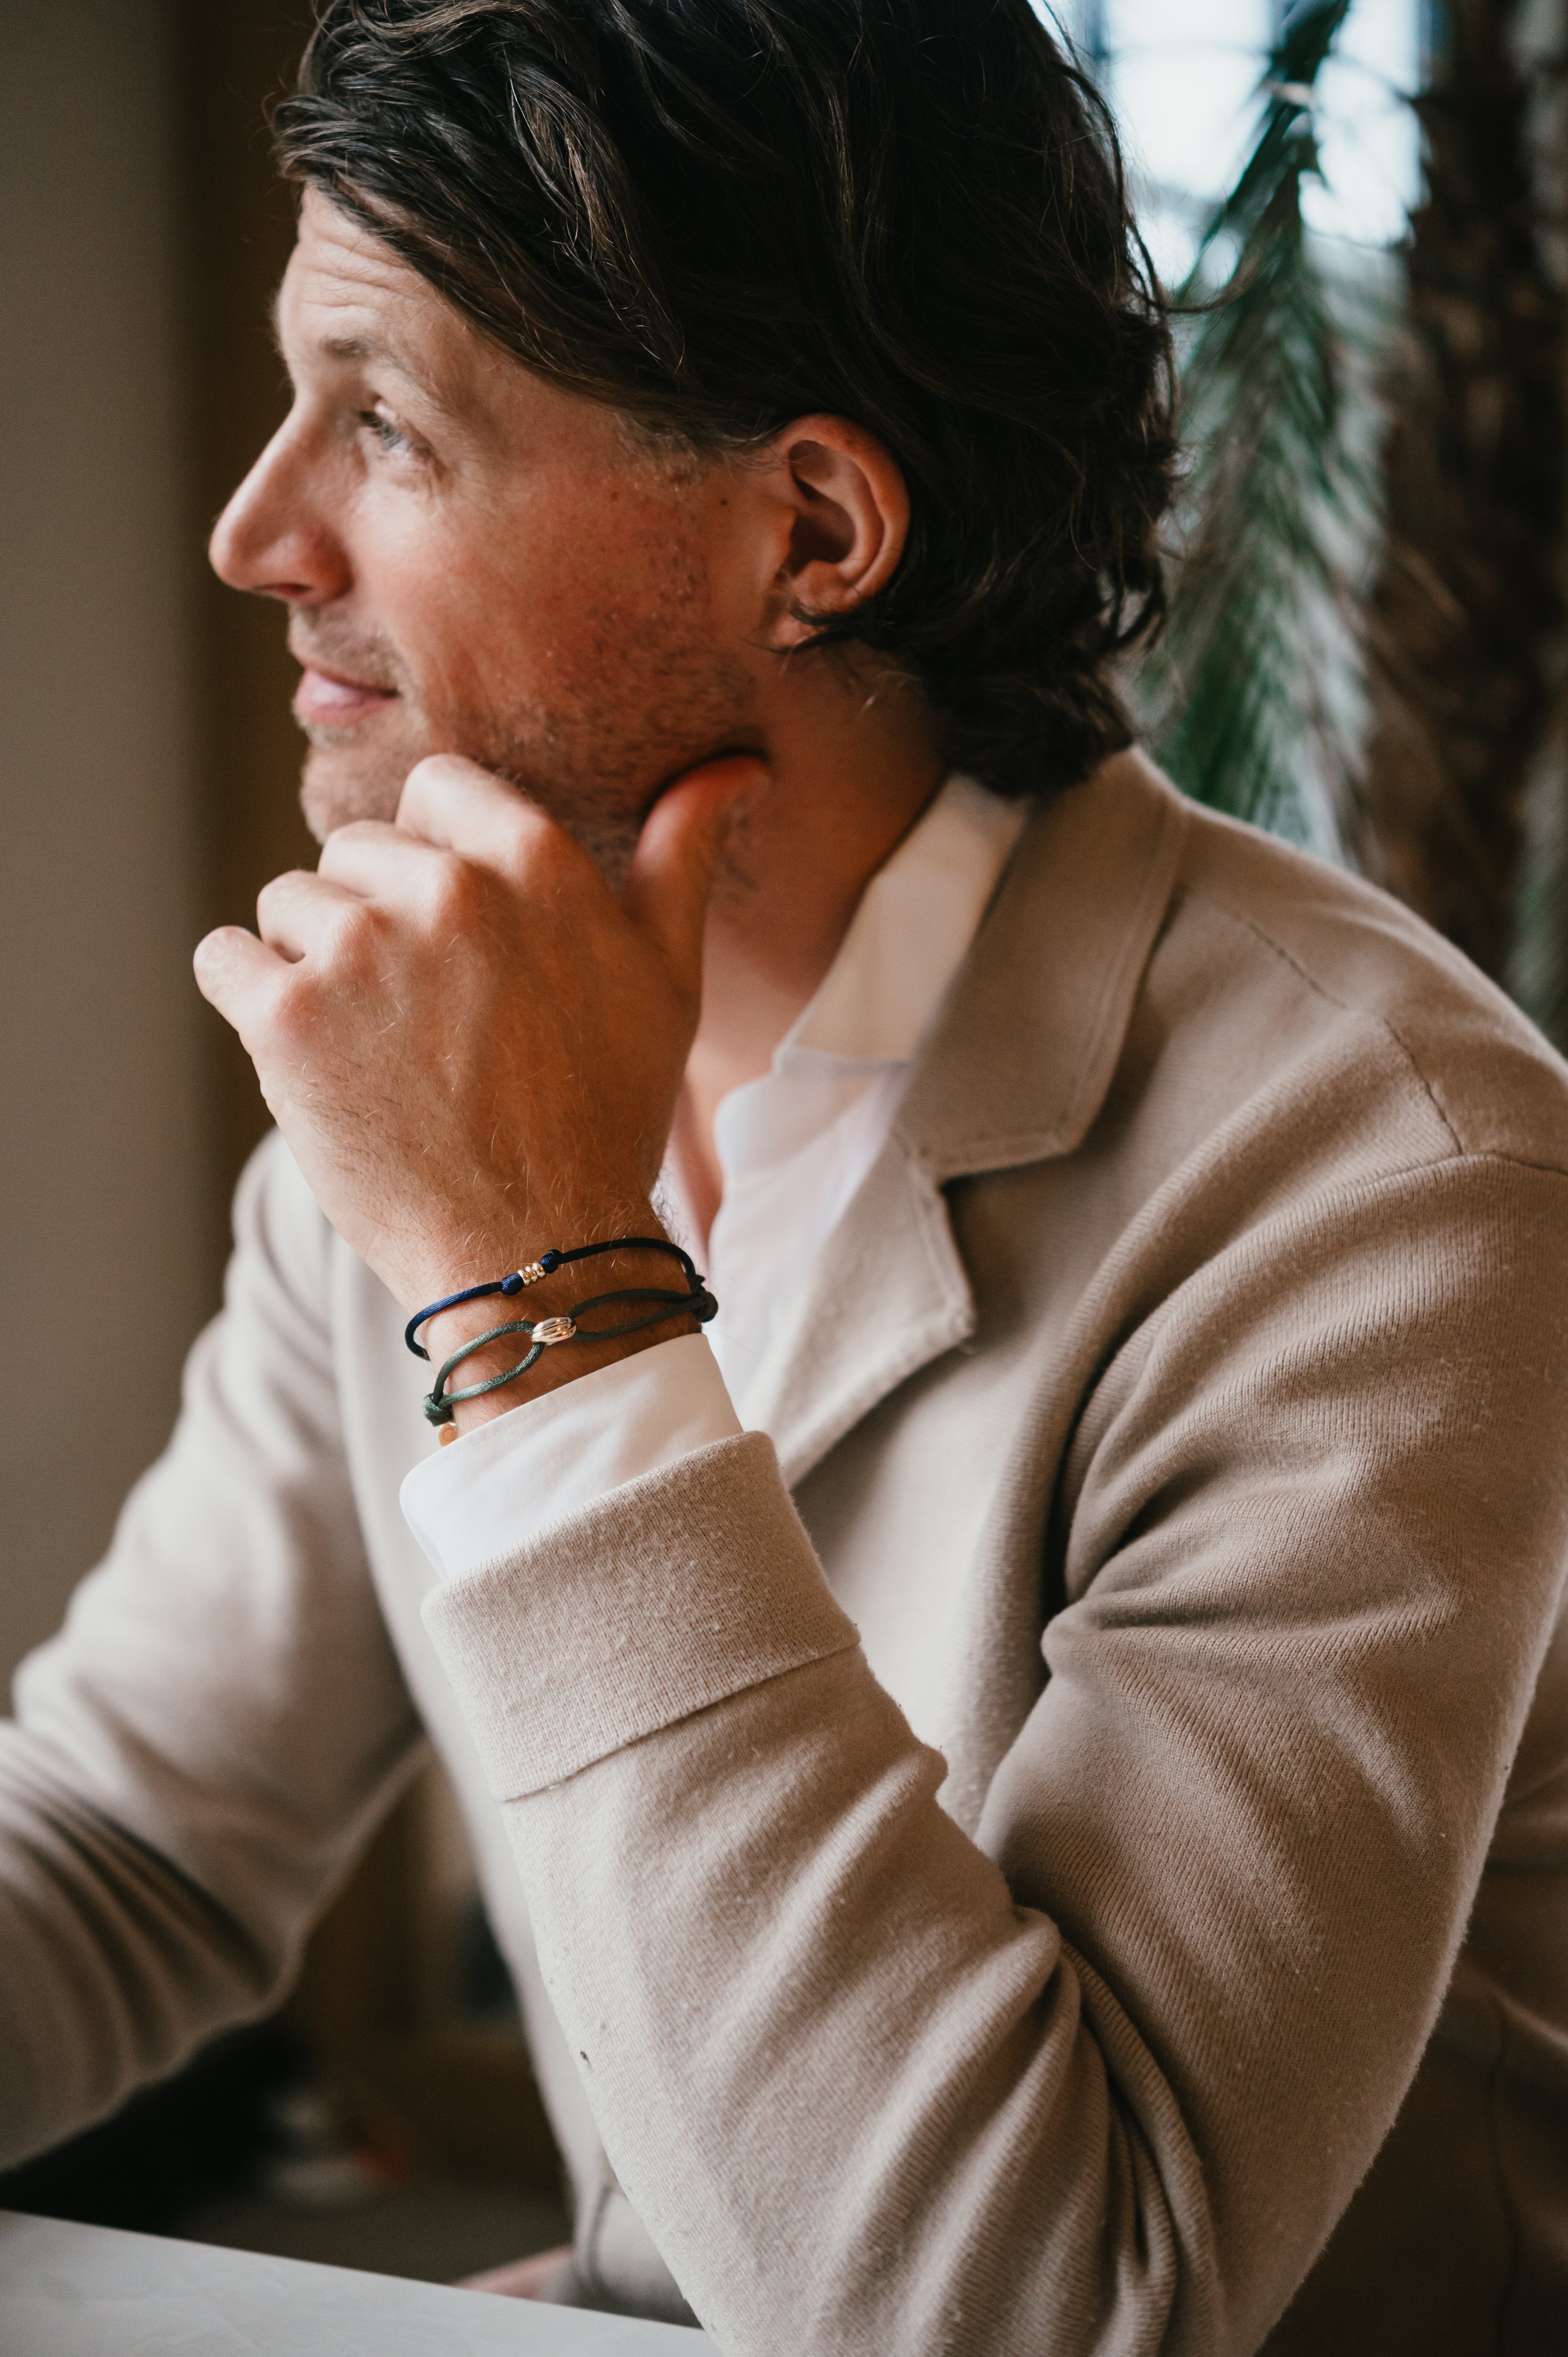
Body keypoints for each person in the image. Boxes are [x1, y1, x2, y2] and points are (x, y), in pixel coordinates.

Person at [3, 2, 1566, 2348]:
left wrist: (544, 1288)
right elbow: (132, 1844)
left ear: (811, 531)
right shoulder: (434, 1064)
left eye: (386, 423)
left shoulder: (1392, 1186)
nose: (254, 532)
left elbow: (1041, 2304)